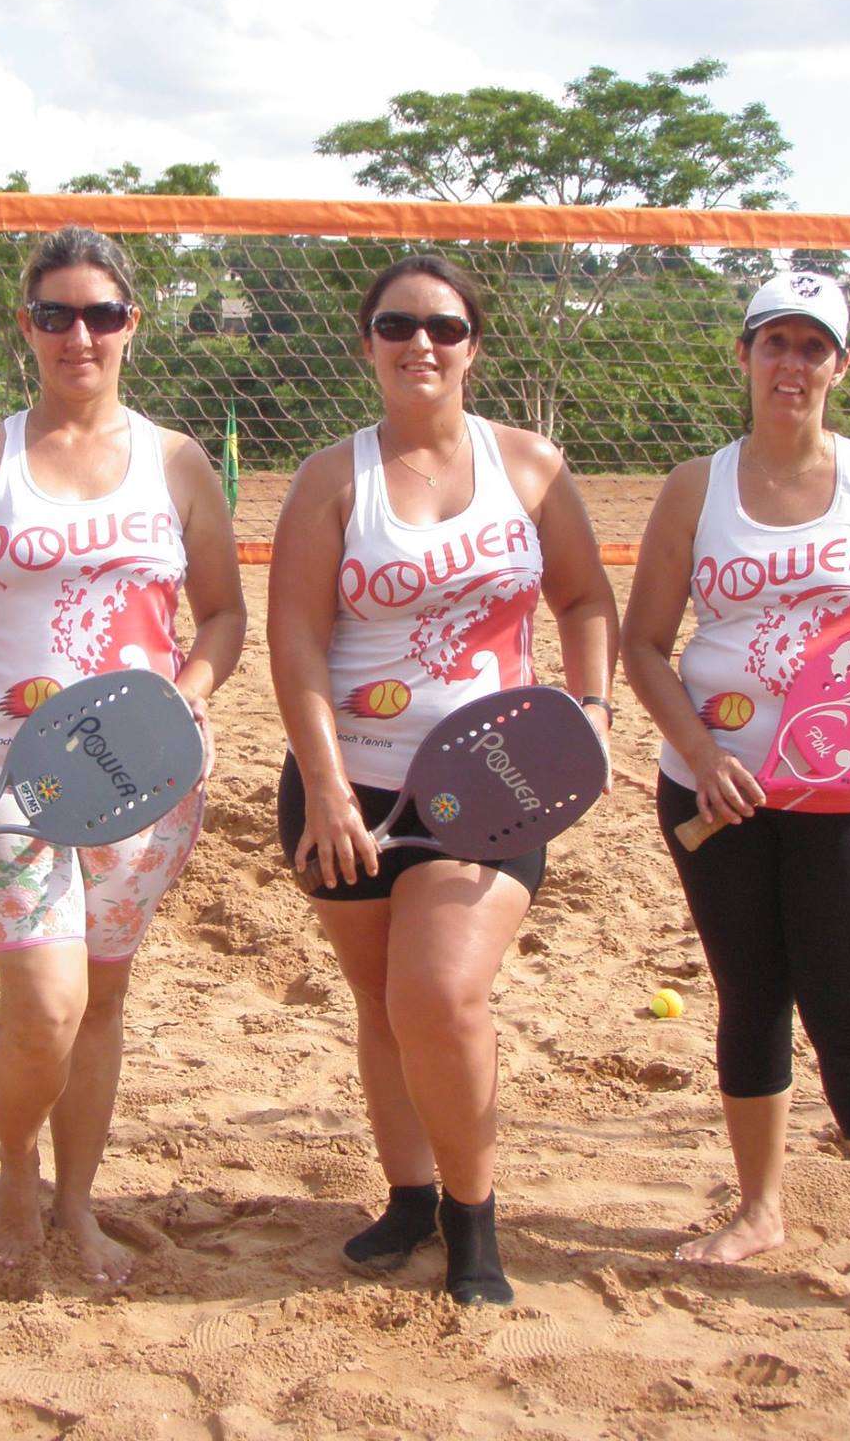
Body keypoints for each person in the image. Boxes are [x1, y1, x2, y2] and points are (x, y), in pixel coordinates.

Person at [619, 270, 850, 1353]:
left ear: (839, 367)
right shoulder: (694, 487)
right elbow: (644, 644)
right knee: (749, 996)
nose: (790, 364)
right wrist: (699, 753)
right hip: (715, 790)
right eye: (771, 342)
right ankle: (758, 1208)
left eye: (811, 347)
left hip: (848, 795)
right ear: (741, 358)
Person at [268, 255, 618, 1305]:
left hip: (495, 776)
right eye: (396, 324)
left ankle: (474, 1220)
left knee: (439, 992)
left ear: (473, 344)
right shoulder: (333, 478)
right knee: (381, 1004)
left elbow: (586, 602)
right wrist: (327, 788)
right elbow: (293, 639)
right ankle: (409, 1197)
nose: (421, 342)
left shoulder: (529, 466)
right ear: (364, 343)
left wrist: (589, 715)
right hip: (350, 786)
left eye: (444, 326)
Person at [0, 225, 245, 1283]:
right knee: (44, 999)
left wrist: (186, 700)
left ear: (130, 326)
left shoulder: (177, 462)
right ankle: (15, 1177)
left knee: (99, 1000)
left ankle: (78, 1206)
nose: (78, 334)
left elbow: (227, 617)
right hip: (6, 775)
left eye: (100, 313)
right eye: (54, 314)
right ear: (27, 327)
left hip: (139, 779)